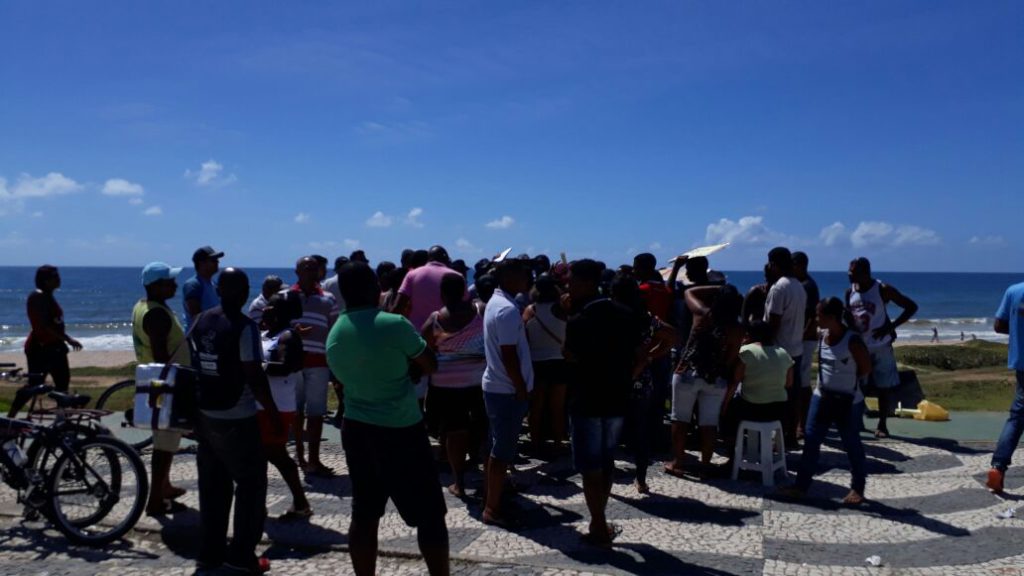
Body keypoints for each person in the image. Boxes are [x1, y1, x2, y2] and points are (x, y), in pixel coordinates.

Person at [325, 262, 448, 576]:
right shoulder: (394, 324)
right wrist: (427, 342)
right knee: (430, 514)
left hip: (357, 428)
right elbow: (430, 365)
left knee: (365, 513)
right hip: (401, 428)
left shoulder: (335, 331)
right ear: (372, 288)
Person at [188, 267, 280, 574]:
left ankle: (209, 554)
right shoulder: (244, 327)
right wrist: (274, 412)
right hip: (237, 417)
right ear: (242, 292)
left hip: (205, 415)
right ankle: (241, 556)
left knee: (212, 487)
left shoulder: (201, 320)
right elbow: (253, 373)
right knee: (251, 485)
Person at [564, 261, 646, 546]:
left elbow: (569, 356)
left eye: (572, 281)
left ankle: (598, 523)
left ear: (587, 283)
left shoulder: (578, 320)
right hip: (617, 397)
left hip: (586, 398)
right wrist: (629, 374)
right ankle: (600, 520)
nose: (568, 286)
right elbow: (641, 352)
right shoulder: (626, 314)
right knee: (607, 460)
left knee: (590, 466)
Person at [779, 298, 870, 505]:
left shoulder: (852, 341)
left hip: (848, 401)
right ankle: (801, 486)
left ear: (831, 317)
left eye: (819, 315)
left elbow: (865, 368)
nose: (815, 319)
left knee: (851, 444)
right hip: (823, 397)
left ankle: (858, 488)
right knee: (811, 441)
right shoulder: (821, 336)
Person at [665, 284, 745, 478]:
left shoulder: (702, 314)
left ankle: (677, 462)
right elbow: (731, 357)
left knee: (680, 419)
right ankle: (706, 465)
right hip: (715, 378)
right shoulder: (737, 328)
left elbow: (688, 293)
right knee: (709, 423)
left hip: (687, 373)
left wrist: (718, 287)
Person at [421, 273, 487, 497]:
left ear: (442, 294)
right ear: (464, 292)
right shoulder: (480, 311)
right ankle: (488, 477)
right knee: (482, 430)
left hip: (445, 387)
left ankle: (458, 482)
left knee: (454, 433)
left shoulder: (435, 319)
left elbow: (424, 349)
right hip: (478, 383)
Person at [132, 262, 189, 516]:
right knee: (164, 445)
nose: (175, 285)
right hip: (165, 385)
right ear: (156, 286)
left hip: (161, 383)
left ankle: (164, 486)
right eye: (170, 281)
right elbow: (160, 355)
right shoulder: (156, 314)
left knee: (167, 439)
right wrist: (172, 388)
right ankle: (154, 500)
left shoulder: (145, 306)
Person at [481, 255, 534, 529]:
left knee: (498, 446)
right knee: (501, 451)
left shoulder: (498, 304)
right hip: (506, 390)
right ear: (510, 278)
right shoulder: (506, 309)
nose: (527, 280)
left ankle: (495, 494)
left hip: (499, 386)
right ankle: (492, 507)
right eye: (524, 275)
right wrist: (521, 387)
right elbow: (509, 354)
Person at [609, 274, 674, 495]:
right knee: (640, 432)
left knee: (610, 432)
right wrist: (651, 356)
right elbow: (672, 336)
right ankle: (641, 479)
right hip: (640, 380)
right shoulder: (644, 317)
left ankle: (608, 477)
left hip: (613, 379)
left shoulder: (610, 316)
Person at [846, 257, 918, 438]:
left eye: (853, 271)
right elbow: (850, 315)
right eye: (849, 270)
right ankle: (858, 421)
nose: (849, 274)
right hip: (861, 346)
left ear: (865, 272)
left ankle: (882, 424)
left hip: (881, 346)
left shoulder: (882, 289)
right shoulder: (850, 292)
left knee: (883, 386)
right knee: (858, 385)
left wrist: (890, 327)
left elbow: (910, 307)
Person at [258, 292, 312, 520]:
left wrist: (254, 368)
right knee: (262, 454)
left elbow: (286, 366)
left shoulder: (288, 336)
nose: (265, 308)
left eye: (271, 305)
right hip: (259, 404)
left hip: (277, 405)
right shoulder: (264, 334)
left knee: (275, 453)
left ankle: (300, 502)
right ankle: (260, 504)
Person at [290, 256, 340, 477]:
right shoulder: (286, 296)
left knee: (317, 412)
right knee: (296, 411)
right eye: (305, 268)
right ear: (297, 272)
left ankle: (314, 459)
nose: (310, 272)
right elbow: (272, 327)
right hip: (293, 363)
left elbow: (335, 330)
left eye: (313, 268)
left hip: (319, 363)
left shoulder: (329, 299)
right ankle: (299, 456)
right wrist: (292, 333)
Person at [721, 321, 792, 461]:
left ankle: (732, 457)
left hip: (753, 409)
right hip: (780, 411)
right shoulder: (784, 353)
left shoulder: (747, 351)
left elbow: (735, 382)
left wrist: (724, 406)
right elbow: (789, 383)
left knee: (728, 417)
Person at [763, 247, 806, 447]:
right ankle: (790, 434)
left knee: (777, 397)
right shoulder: (799, 286)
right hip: (796, 348)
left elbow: (774, 322)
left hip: (780, 350)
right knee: (793, 395)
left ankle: (778, 438)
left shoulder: (779, 288)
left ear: (774, 264)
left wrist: (763, 345)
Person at [985, 279, 1024, 494]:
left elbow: (999, 325)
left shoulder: (1014, 291)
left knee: (1017, 417)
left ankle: (998, 468)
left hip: (1022, 364)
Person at [523, 273, 569, 455]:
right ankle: (558, 442)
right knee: (557, 407)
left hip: (536, 363)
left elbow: (524, 337)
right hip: (559, 361)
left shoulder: (530, 310)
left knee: (536, 407)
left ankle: (535, 442)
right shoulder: (561, 309)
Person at [24, 265, 81, 392]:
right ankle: (13, 412)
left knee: (62, 384)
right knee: (34, 386)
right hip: (41, 348)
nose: (59, 279)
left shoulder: (48, 296)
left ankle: (61, 412)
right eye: (55, 277)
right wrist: (68, 339)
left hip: (55, 347)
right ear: (46, 280)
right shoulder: (38, 296)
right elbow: (45, 325)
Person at [792, 251, 820, 440]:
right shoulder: (802, 284)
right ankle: (799, 421)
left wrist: (801, 335)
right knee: (798, 381)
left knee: (802, 382)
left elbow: (812, 316)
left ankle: (803, 423)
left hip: (805, 339)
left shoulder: (807, 286)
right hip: (800, 338)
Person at [183, 246, 223, 330]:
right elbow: (196, 317)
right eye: (213, 260)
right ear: (202, 263)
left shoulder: (213, 284)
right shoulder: (193, 285)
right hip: (199, 338)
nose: (217, 262)